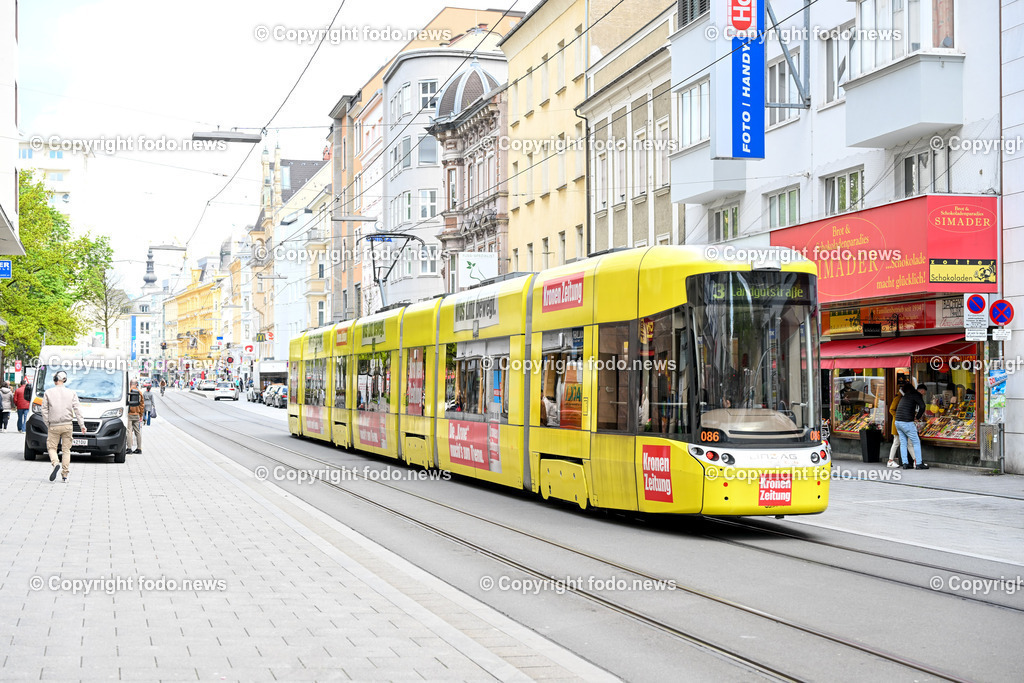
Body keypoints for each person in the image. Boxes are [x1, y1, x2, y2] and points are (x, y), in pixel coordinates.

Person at [41, 370, 86, 482]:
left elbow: (44, 411)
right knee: (66, 450)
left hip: (54, 425)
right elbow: (77, 409)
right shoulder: (71, 393)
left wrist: (48, 423)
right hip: (67, 425)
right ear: (65, 380)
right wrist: (82, 425)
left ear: (55, 379)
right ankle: (65, 475)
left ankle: (56, 463)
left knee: (51, 447)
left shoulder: (48, 392)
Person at [894, 381, 927, 470]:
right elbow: (923, 406)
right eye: (924, 392)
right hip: (906, 422)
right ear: (922, 391)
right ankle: (919, 463)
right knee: (916, 442)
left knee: (903, 443)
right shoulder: (916, 395)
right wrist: (918, 417)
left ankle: (905, 463)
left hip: (897, 421)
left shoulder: (906, 396)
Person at [886, 386, 914, 468]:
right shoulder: (898, 397)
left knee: (900, 442)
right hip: (898, 422)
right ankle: (890, 460)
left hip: (899, 421)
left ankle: (916, 460)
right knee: (897, 442)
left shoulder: (902, 397)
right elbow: (891, 409)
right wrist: (899, 416)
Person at [127, 380, 145, 454]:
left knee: (128, 431)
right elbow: (142, 405)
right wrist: (140, 415)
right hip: (137, 414)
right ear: (137, 384)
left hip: (129, 415)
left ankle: (129, 448)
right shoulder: (139, 392)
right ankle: (139, 448)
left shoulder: (129, 391)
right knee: (137, 432)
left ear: (130, 384)